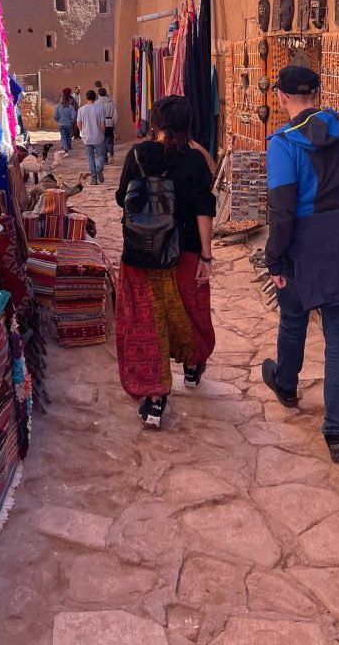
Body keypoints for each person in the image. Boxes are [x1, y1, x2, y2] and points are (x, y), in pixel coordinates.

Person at [261, 65, 339, 463]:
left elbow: (282, 210)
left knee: (293, 318)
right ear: (318, 93)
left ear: (281, 97)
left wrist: (274, 258)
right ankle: (337, 430)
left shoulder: (282, 143)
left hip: (301, 245)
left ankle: (286, 384)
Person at [115, 95, 216, 428]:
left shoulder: (138, 154)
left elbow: (121, 198)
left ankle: (155, 400)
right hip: (184, 252)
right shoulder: (195, 160)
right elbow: (204, 209)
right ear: (188, 125)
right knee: (190, 310)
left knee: (146, 321)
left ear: (156, 122)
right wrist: (206, 256)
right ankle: (192, 365)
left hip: (141, 254)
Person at [77, 89, 107, 183]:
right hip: (98, 136)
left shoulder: (81, 109)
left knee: (90, 158)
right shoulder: (100, 108)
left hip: (87, 137)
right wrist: (103, 132)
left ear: (86, 98)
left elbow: (78, 123)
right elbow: (103, 123)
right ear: (95, 97)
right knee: (101, 155)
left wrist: (83, 131)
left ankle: (94, 178)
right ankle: (99, 168)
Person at [97, 86, 118, 163]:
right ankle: (111, 155)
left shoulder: (97, 103)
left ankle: (104, 158)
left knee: (102, 141)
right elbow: (115, 114)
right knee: (109, 140)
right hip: (110, 122)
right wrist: (114, 124)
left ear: (99, 94)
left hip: (100, 123)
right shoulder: (111, 102)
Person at [53, 88, 77, 155]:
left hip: (61, 124)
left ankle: (65, 148)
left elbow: (55, 117)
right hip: (69, 124)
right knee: (68, 136)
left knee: (63, 137)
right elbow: (73, 116)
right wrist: (71, 121)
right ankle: (67, 147)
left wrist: (59, 121)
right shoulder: (71, 107)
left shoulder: (58, 107)